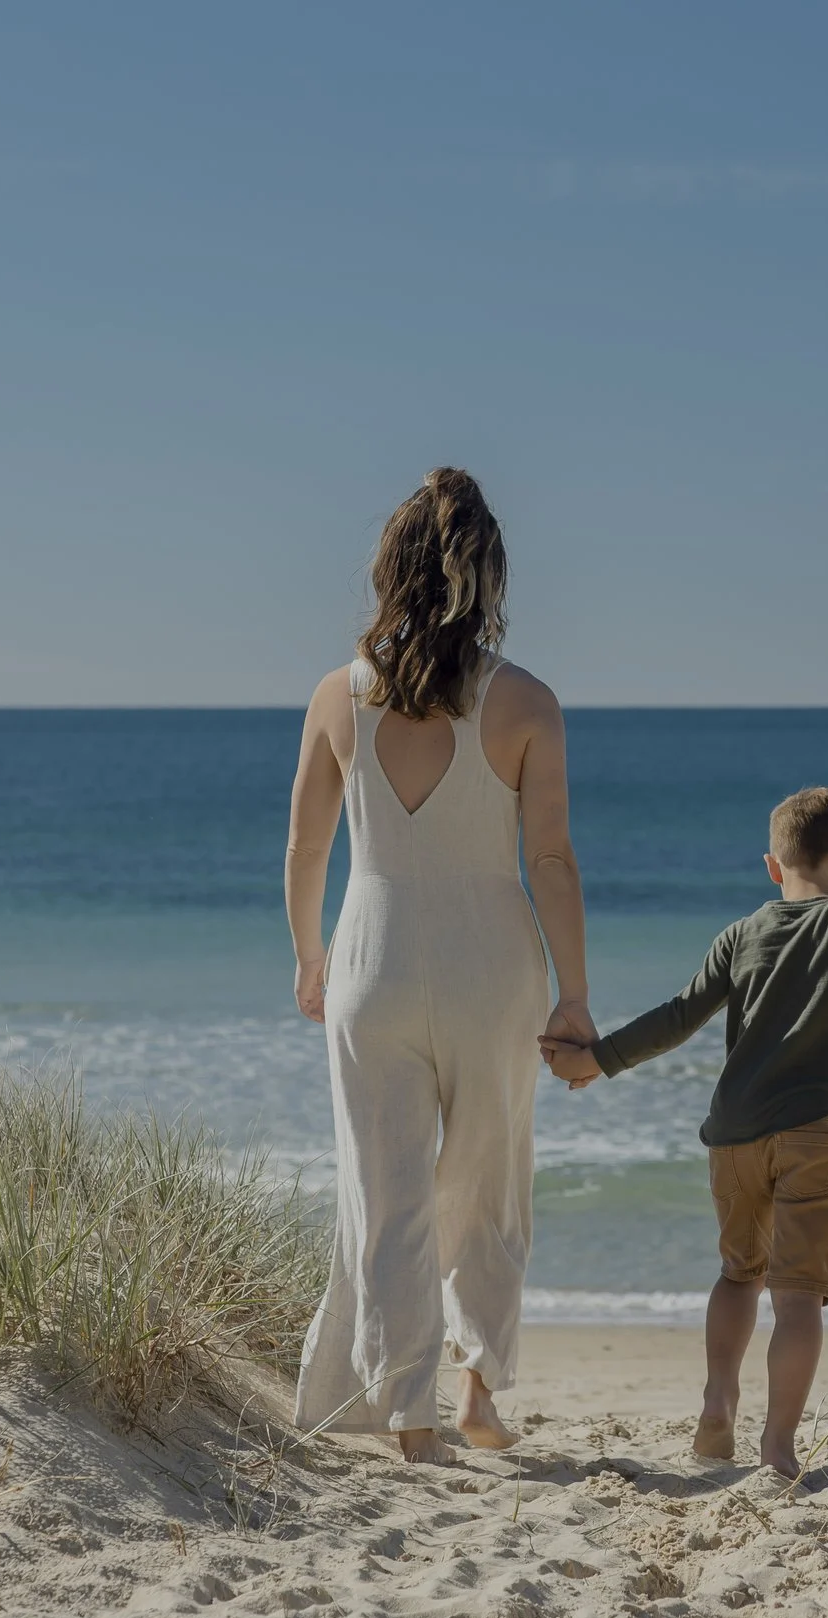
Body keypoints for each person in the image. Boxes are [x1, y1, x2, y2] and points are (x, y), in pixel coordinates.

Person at [284, 467, 597, 1463]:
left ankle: (407, 1414)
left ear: (391, 567)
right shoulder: (528, 701)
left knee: (385, 1193)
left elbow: (305, 849)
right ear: (488, 574)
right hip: (491, 963)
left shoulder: (338, 694)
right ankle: (476, 1391)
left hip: (370, 954)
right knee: (487, 1182)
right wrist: (577, 993)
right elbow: (548, 857)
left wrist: (307, 953)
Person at [541, 788, 828, 1478]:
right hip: (816, 1133)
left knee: (737, 1274)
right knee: (798, 1295)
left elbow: (679, 1014)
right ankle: (777, 1445)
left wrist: (597, 1060)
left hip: (734, 1137)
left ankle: (719, 1401)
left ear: (773, 867)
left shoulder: (742, 932)